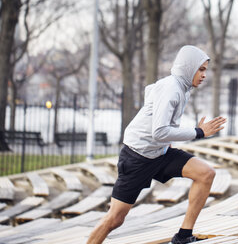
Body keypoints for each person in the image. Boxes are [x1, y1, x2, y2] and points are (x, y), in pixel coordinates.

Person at [87, 45, 227, 244]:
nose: (204, 75)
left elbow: (150, 92)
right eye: (201, 69)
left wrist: (168, 141)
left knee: (206, 174)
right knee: (115, 219)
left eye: (206, 70)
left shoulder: (181, 88)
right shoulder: (172, 88)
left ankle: (183, 236)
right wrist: (198, 132)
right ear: (188, 67)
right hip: (136, 157)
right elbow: (159, 131)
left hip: (159, 153)